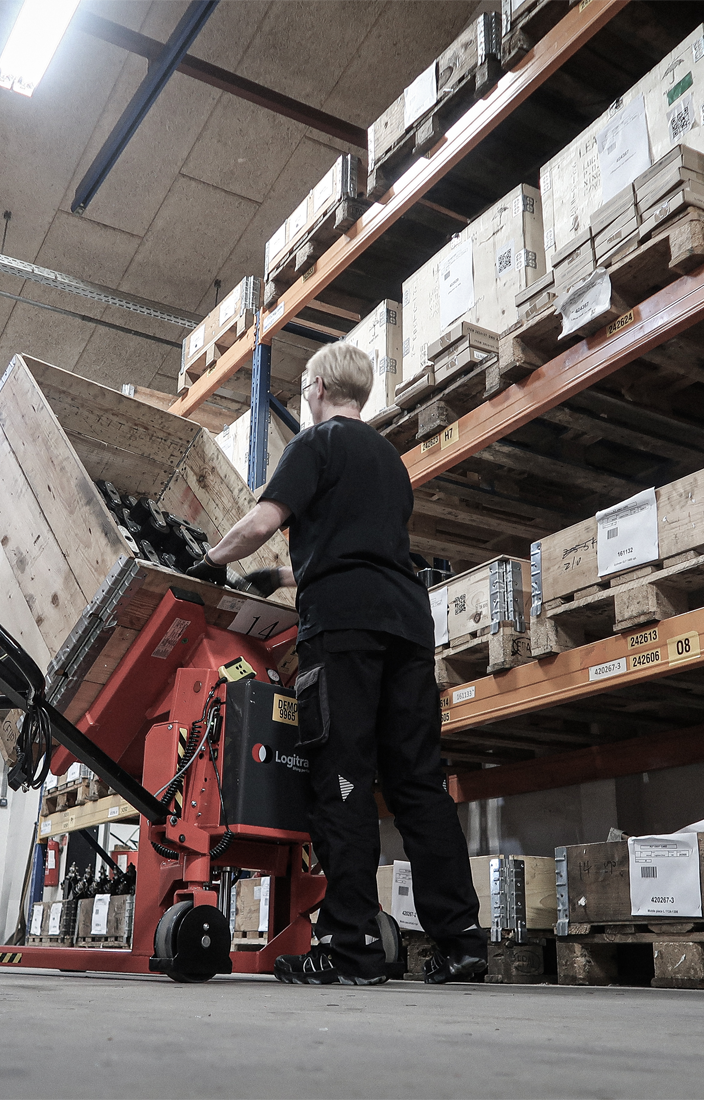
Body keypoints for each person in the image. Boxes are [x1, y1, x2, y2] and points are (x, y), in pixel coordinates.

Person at [187, 341, 486, 987]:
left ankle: (349, 950)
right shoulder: (389, 462)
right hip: (408, 625)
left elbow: (261, 522)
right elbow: (360, 551)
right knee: (418, 784)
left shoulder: (315, 444)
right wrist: (280, 578)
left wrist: (208, 562)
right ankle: (462, 943)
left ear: (318, 387)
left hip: (345, 630)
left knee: (343, 779)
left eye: (304, 385)